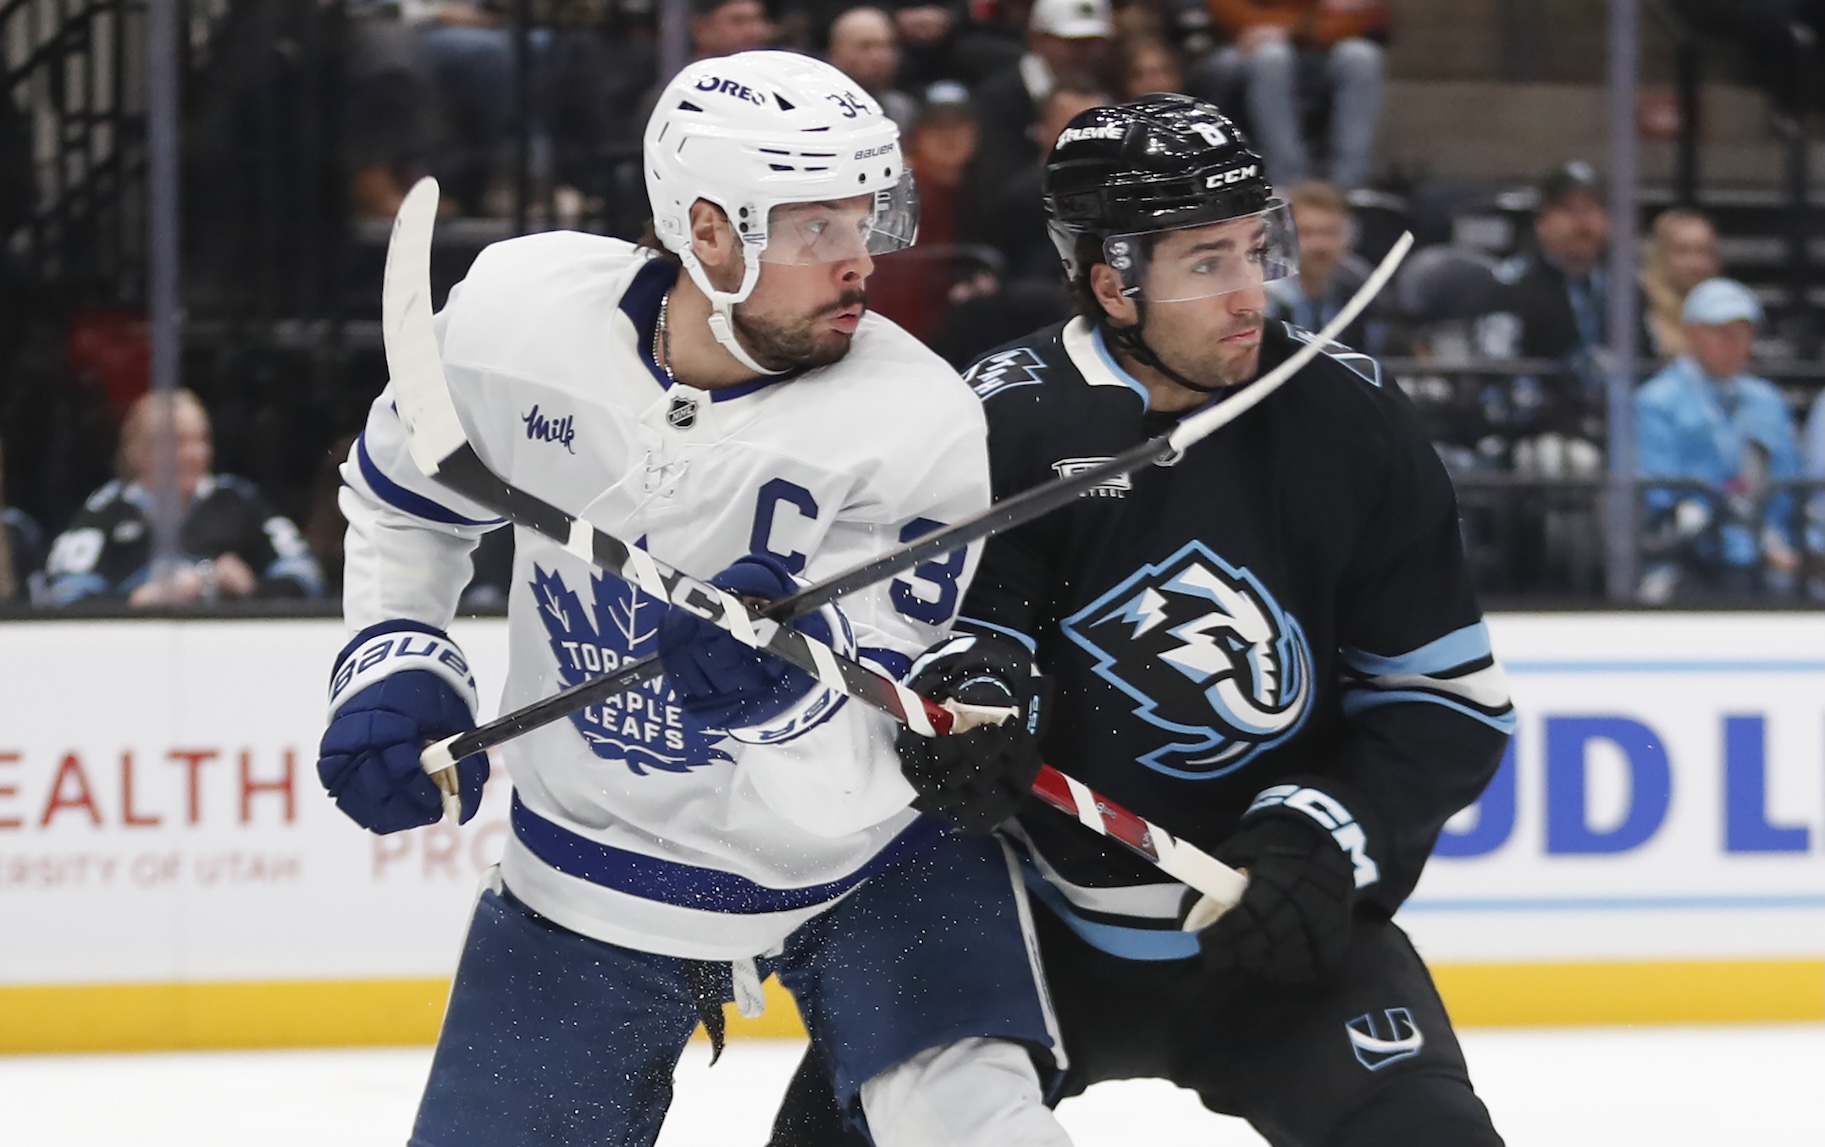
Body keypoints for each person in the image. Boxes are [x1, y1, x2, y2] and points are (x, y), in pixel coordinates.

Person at [315, 51, 1074, 1147]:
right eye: (817, 228)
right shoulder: (516, 317)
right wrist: (397, 655)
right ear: (709, 232)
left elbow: (894, 702)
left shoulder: (917, 419)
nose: (859, 259)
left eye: (866, 219)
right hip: (587, 870)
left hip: (870, 869)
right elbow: (403, 504)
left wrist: (800, 685)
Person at [767, 93, 1515, 1147]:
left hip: (1278, 933)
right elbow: (976, 633)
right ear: (1113, 282)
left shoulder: (1352, 420)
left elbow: (1446, 706)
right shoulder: (998, 420)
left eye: (1257, 250)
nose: (1249, 292)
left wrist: (1322, 832)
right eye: (1206, 263)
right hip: (1020, 929)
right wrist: (973, 702)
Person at [42, 388, 322, 606]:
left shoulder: (238, 501)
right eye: (177, 442)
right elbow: (65, 596)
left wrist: (251, 590)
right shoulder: (106, 512)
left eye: (201, 441)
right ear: (139, 451)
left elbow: (305, 577)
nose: (193, 454)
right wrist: (136, 603)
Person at [1636, 278, 1803, 603]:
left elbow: (1788, 481)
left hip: (1763, 552)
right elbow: (1658, 489)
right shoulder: (1656, 400)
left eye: (1743, 332)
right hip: (1688, 552)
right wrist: (1716, 515)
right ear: (1691, 333)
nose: (1734, 342)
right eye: (1721, 331)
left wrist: (1777, 540)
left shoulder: (1767, 400)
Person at [1191, 0, 1388, 189]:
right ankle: (1288, 181)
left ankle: (1349, 184)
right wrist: (1312, 19)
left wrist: (1292, 28)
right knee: (1272, 57)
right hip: (1244, 47)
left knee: (1361, 56)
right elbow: (1229, 12)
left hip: (1320, 47)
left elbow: (1365, 17)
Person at [968, 0, 1115, 192]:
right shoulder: (997, 99)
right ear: (1036, 39)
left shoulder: (1112, 84)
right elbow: (996, 183)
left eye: (1093, 42)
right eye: (1072, 43)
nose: (1084, 53)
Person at [1264, 179, 1385, 353]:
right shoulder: (1264, 300)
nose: (1319, 245)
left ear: (1348, 236)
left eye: (1329, 233)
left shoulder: (1359, 288)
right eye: (1307, 232)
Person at [1641, 207, 1721, 362]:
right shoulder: (1639, 308)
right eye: (1682, 251)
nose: (1694, 263)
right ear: (1660, 255)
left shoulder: (1728, 310)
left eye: (1703, 251)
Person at [826, 6, 921, 134]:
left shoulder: (903, 110)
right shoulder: (816, 107)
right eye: (865, 46)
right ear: (836, 51)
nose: (879, 56)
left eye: (887, 46)